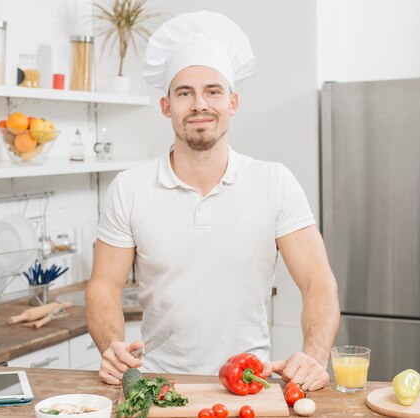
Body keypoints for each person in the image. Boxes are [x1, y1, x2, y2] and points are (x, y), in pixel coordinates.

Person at [85, 10, 340, 392]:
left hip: (250, 381)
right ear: (166, 106)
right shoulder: (129, 188)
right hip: (157, 385)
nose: (199, 104)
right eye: (184, 92)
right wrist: (113, 347)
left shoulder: (274, 181)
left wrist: (315, 355)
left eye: (213, 91)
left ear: (233, 102)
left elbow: (318, 281)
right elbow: (103, 286)